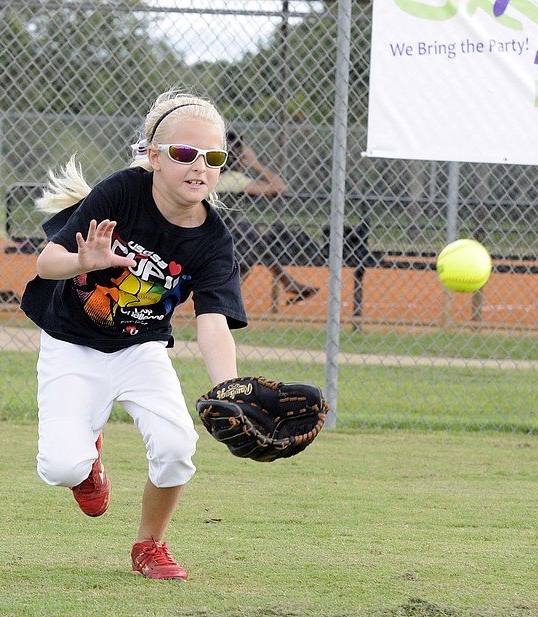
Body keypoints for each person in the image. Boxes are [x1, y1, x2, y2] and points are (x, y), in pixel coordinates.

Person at [19, 91, 247, 581]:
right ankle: (87, 461)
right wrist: (84, 261)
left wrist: (228, 387)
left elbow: (213, 321)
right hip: (71, 343)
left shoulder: (213, 239)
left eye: (214, 158)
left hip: (139, 350)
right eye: (186, 154)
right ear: (154, 157)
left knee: (175, 446)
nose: (200, 166)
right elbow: (46, 263)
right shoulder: (121, 192)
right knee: (60, 466)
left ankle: (150, 545)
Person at [216, 130, 319, 305]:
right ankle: (286, 282)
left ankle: (227, 297)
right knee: (251, 236)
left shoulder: (210, 177)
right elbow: (279, 187)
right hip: (220, 236)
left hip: (224, 234)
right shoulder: (234, 179)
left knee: (250, 238)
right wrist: (254, 163)